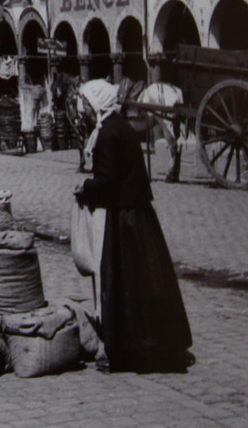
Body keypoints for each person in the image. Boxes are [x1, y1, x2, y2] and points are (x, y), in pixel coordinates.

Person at [73, 78, 193, 373]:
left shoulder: (108, 133)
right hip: (136, 215)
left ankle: (133, 349)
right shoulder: (117, 127)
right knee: (147, 282)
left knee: (127, 285)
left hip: (125, 219)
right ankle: (154, 344)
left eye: (87, 106)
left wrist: (85, 188)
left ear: (98, 103)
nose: (84, 112)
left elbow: (108, 180)